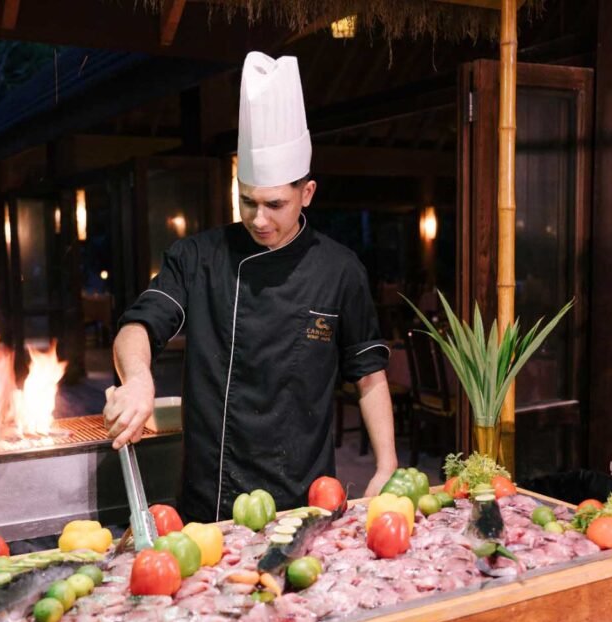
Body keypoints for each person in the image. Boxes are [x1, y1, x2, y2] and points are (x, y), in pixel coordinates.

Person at [104, 51, 397, 523]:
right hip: (212, 498)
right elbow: (138, 325)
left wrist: (386, 465)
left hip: (306, 500)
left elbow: (369, 375)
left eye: (275, 204)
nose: (259, 219)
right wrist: (137, 378)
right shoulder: (198, 257)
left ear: (307, 194)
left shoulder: (340, 270)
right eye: (247, 201)